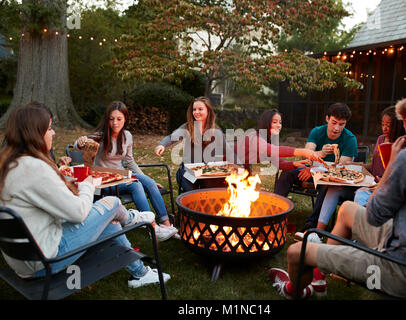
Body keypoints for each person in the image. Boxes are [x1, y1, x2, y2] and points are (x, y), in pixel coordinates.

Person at [269, 85, 406, 299]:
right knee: (346, 209)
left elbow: (374, 215)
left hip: (399, 269)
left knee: (295, 253)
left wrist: (392, 165)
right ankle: (318, 278)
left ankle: (292, 290)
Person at [0, 103, 170, 287]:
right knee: (111, 203)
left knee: (109, 222)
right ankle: (131, 218)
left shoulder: (11, 165)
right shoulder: (35, 167)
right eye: (49, 128)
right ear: (34, 133)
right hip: (44, 260)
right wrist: (87, 184)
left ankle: (139, 273)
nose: (54, 133)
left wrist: (65, 186)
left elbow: (41, 200)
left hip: (22, 258)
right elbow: (78, 212)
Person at [296, 105, 406, 239]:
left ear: (398, 125)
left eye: (388, 125)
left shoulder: (402, 144)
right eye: (383, 124)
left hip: (380, 187)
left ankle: (353, 237)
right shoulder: (380, 139)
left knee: (359, 194)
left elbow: (400, 173)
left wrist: (382, 183)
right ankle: (317, 233)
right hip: (369, 182)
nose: (384, 128)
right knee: (333, 188)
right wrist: (356, 165)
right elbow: (375, 165)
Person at [75, 101, 177, 242]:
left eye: (119, 119)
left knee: (150, 182)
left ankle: (166, 225)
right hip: (106, 182)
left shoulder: (127, 136)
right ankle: (152, 227)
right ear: (107, 120)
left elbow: (130, 161)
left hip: (122, 176)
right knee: (136, 184)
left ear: (125, 119)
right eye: (111, 119)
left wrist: (146, 178)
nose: (115, 123)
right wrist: (80, 142)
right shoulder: (100, 136)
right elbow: (80, 144)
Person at [274, 102, 358, 230]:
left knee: (326, 184)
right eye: (334, 122)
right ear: (327, 119)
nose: (337, 128)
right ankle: (274, 215)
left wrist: (315, 171)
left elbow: (340, 168)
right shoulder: (317, 131)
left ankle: (311, 226)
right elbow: (305, 156)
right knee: (287, 174)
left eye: (342, 124)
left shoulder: (350, 139)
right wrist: (321, 154)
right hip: (311, 169)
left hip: (329, 177)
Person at [155, 96, 236, 192]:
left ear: (208, 111)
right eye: (194, 109)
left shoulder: (216, 130)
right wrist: (162, 144)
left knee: (210, 192)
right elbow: (171, 137)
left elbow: (228, 150)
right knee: (191, 192)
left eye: (200, 109)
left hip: (207, 173)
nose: (196, 112)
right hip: (188, 172)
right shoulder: (187, 127)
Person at [234, 109, 325, 174]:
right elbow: (271, 150)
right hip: (227, 166)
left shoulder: (267, 140)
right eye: (274, 122)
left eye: (280, 122)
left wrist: (294, 163)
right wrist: (303, 151)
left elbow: (278, 162)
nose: (279, 126)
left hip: (242, 168)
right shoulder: (253, 137)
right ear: (266, 123)